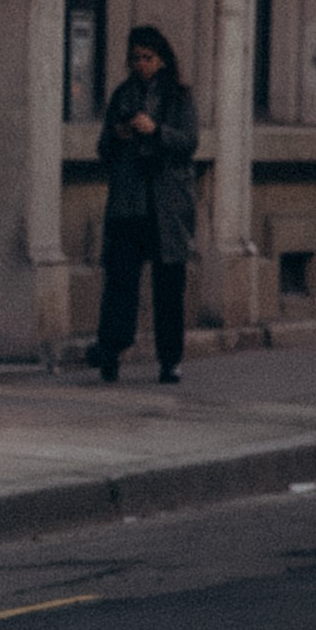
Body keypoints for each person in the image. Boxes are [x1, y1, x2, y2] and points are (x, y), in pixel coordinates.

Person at [95, 25, 198, 386]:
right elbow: (103, 149)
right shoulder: (122, 95)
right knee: (120, 281)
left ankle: (170, 360)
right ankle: (110, 351)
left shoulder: (179, 98)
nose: (141, 64)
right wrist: (118, 135)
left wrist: (156, 130)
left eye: (148, 58)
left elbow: (190, 141)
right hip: (129, 203)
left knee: (168, 288)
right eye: (135, 58)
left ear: (163, 60)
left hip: (167, 207)